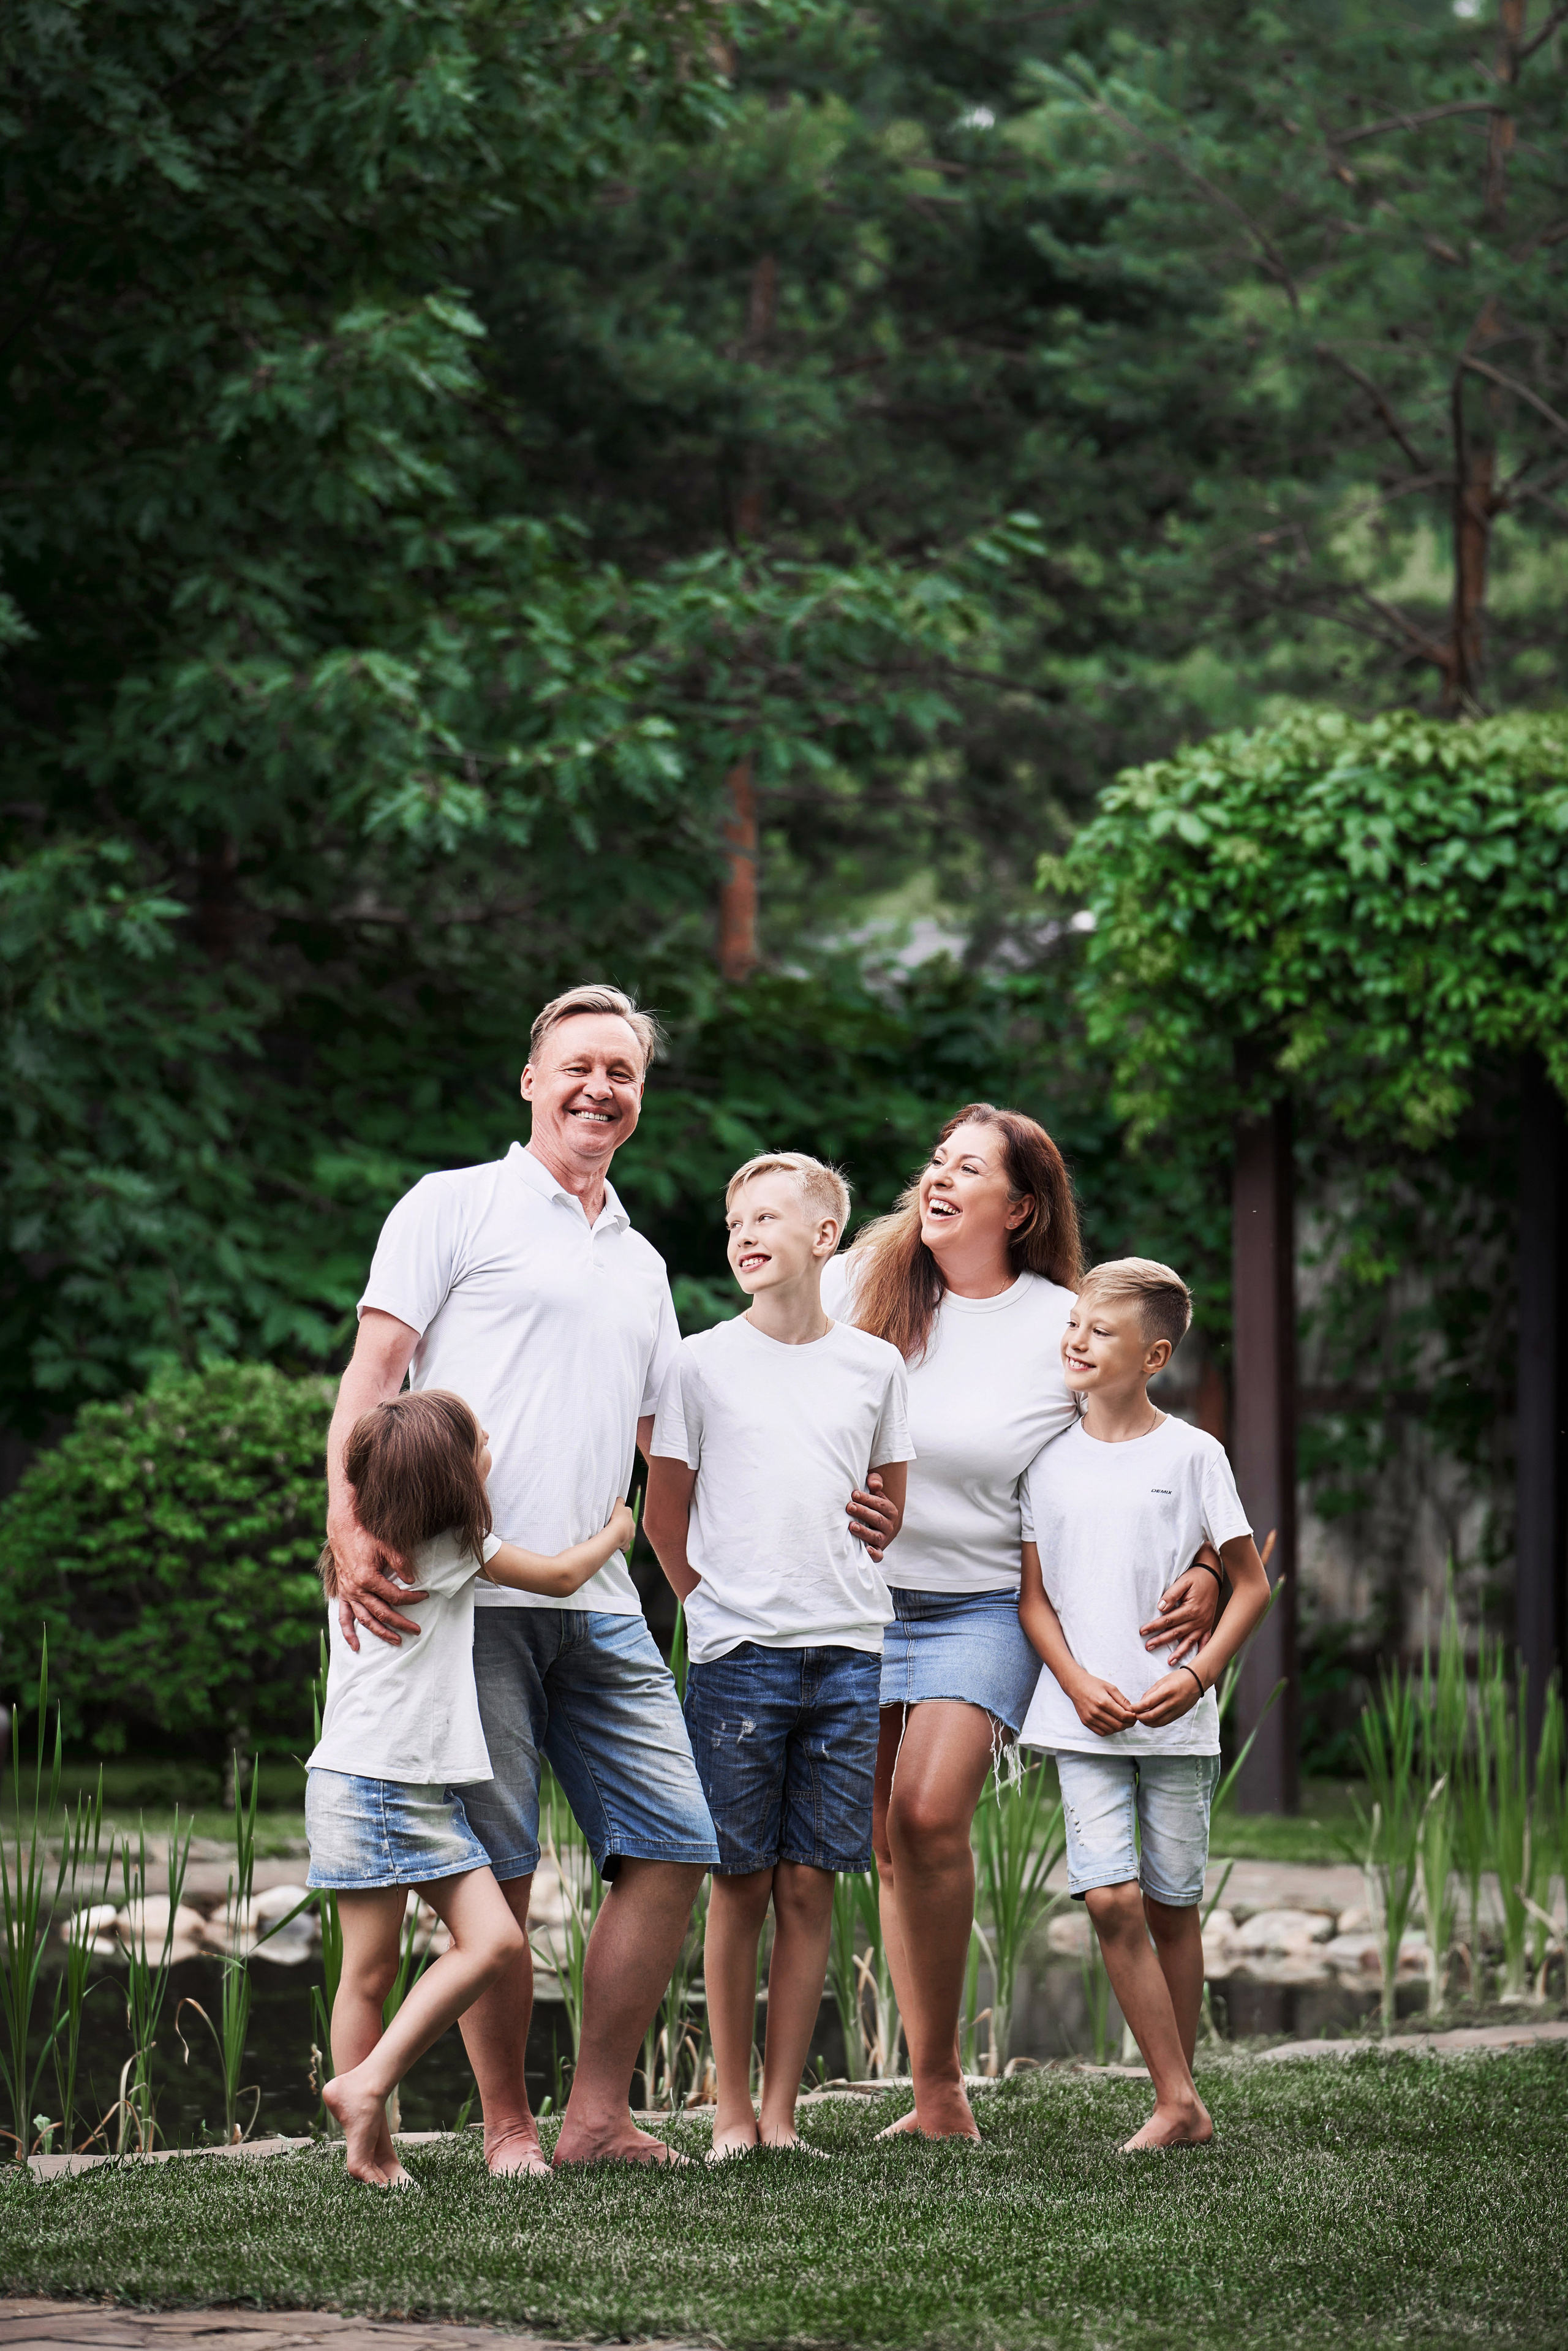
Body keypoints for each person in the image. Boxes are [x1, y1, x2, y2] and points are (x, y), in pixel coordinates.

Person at [323, 983, 720, 2174]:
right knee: (498, 1861)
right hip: (465, 1600)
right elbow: (374, 1372)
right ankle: (507, 2127)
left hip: (599, 1605)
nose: (602, 1087)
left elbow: (665, 1455)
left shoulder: (644, 1261)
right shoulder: (454, 1204)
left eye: (625, 1072)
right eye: (580, 1065)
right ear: (531, 1079)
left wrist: (702, 1590)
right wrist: (345, 1525)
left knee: (676, 1838)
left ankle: (595, 2115)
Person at [824, 1104, 1222, 2140]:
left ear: (1022, 1205)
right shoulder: (861, 1279)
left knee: (927, 1812)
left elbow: (1144, 1447)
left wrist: (1210, 1569)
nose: (940, 1177)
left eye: (970, 1167)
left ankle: (948, 2081)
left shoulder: (1061, 1318)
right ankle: (930, 2096)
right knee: (881, 1836)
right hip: (855, 1597)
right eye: (937, 1158)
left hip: (985, 1603)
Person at [644, 1153, 913, 2158]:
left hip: (848, 1653)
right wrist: (711, 1613)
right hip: (739, 1660)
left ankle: (783, 2116)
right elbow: (662, 1516)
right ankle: (726, 2111)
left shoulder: (874, 1367)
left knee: (812, 1885)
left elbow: (888, 1499)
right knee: (741, 1881)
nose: (746, 1234)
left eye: (768, 1217)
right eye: (734, 1222)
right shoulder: (701, 1362)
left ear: (823, 1238)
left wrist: (883, 1519)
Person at [310, 1389, 637, 2186]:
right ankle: (367, 2092)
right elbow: (560, 1574)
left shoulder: (357, 1554)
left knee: (367, 1972)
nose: (489, 1443)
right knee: (492, 1941)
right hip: (393, 1784)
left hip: (351, 1778)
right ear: (450, 1480)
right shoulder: (452, 1545)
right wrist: (620, 1529)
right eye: (476, 1441)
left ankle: (371, 2149)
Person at [1017, 1257, 1272, 2151]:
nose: (1077, 1340)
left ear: (1153, 1354)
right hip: (1079, 1719)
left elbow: (1250, 1586)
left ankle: (1179, 2096)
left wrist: (1196, 1678)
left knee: (1170, 1904)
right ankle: (1176, 2098)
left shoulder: (1195, 1454)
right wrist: (1078, 1682)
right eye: (1075, 1324)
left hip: (1178, 1721)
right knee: (1110, 1899)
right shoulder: (1045, 1463)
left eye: (1102, 1331)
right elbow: (1033, 1600)